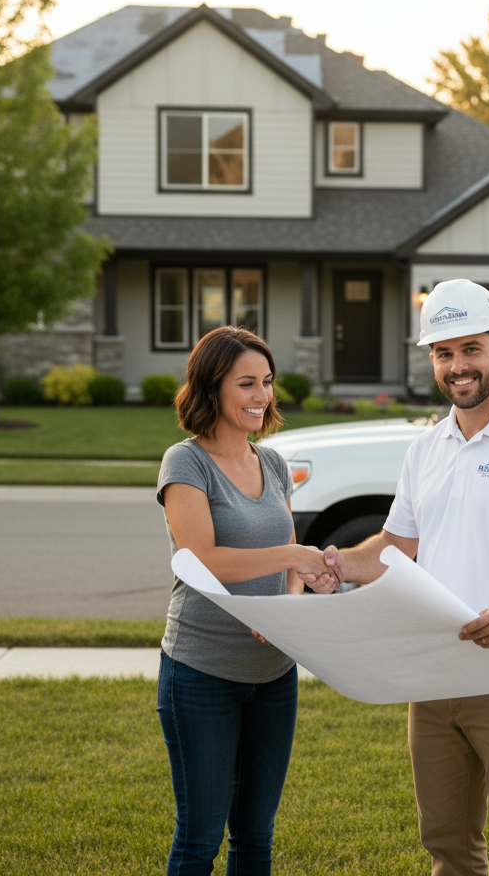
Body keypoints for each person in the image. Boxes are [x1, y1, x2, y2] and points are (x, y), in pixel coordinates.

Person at [317, 279, 489, 876]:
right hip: (436, 668)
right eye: (443, 353)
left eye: (470, 349)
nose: (457, 366)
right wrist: (336, 564)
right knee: (447, 844)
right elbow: (396, 546)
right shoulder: (428, 447)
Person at [155, 326, 335, 875]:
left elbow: (288, 566)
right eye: (246, 384)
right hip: (202, 671)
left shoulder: (273, 463)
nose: (262, 396)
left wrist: (289, 598)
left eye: (267, 383)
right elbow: (202, 556)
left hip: (274, 672)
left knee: (256, 837)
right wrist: (294, 557)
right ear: (212, 388)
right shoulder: (185, 463)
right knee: (199, 840)